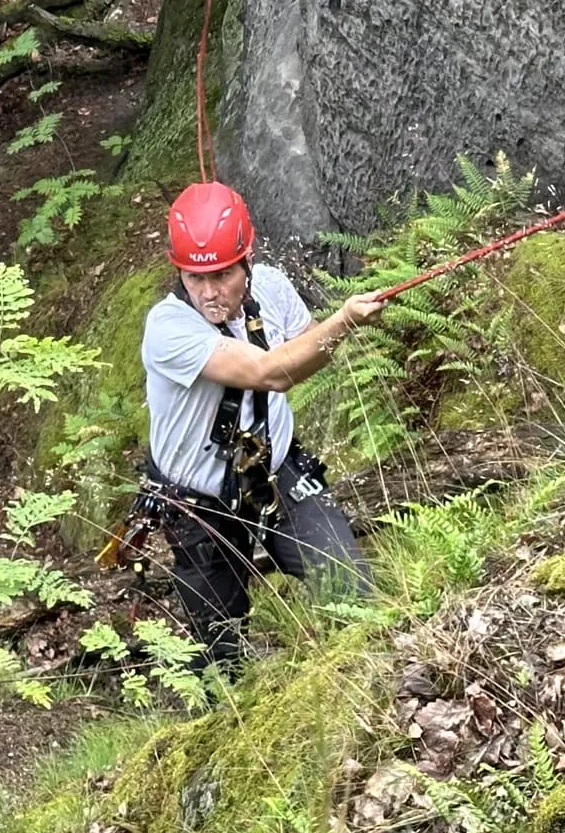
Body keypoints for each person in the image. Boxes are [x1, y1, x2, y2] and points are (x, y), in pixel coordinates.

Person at [136, 180, 386, 667]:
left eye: (223, 276)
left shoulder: (271, 287)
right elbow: (268, 373)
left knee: (350, 588)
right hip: (197, 499)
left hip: (272, 466)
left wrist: (339, 327)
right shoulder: (167, 328)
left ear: (247, 261)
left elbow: (310, 349)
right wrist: (347, 321)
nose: (210, 293)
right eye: (195, 278)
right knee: (221, 657)